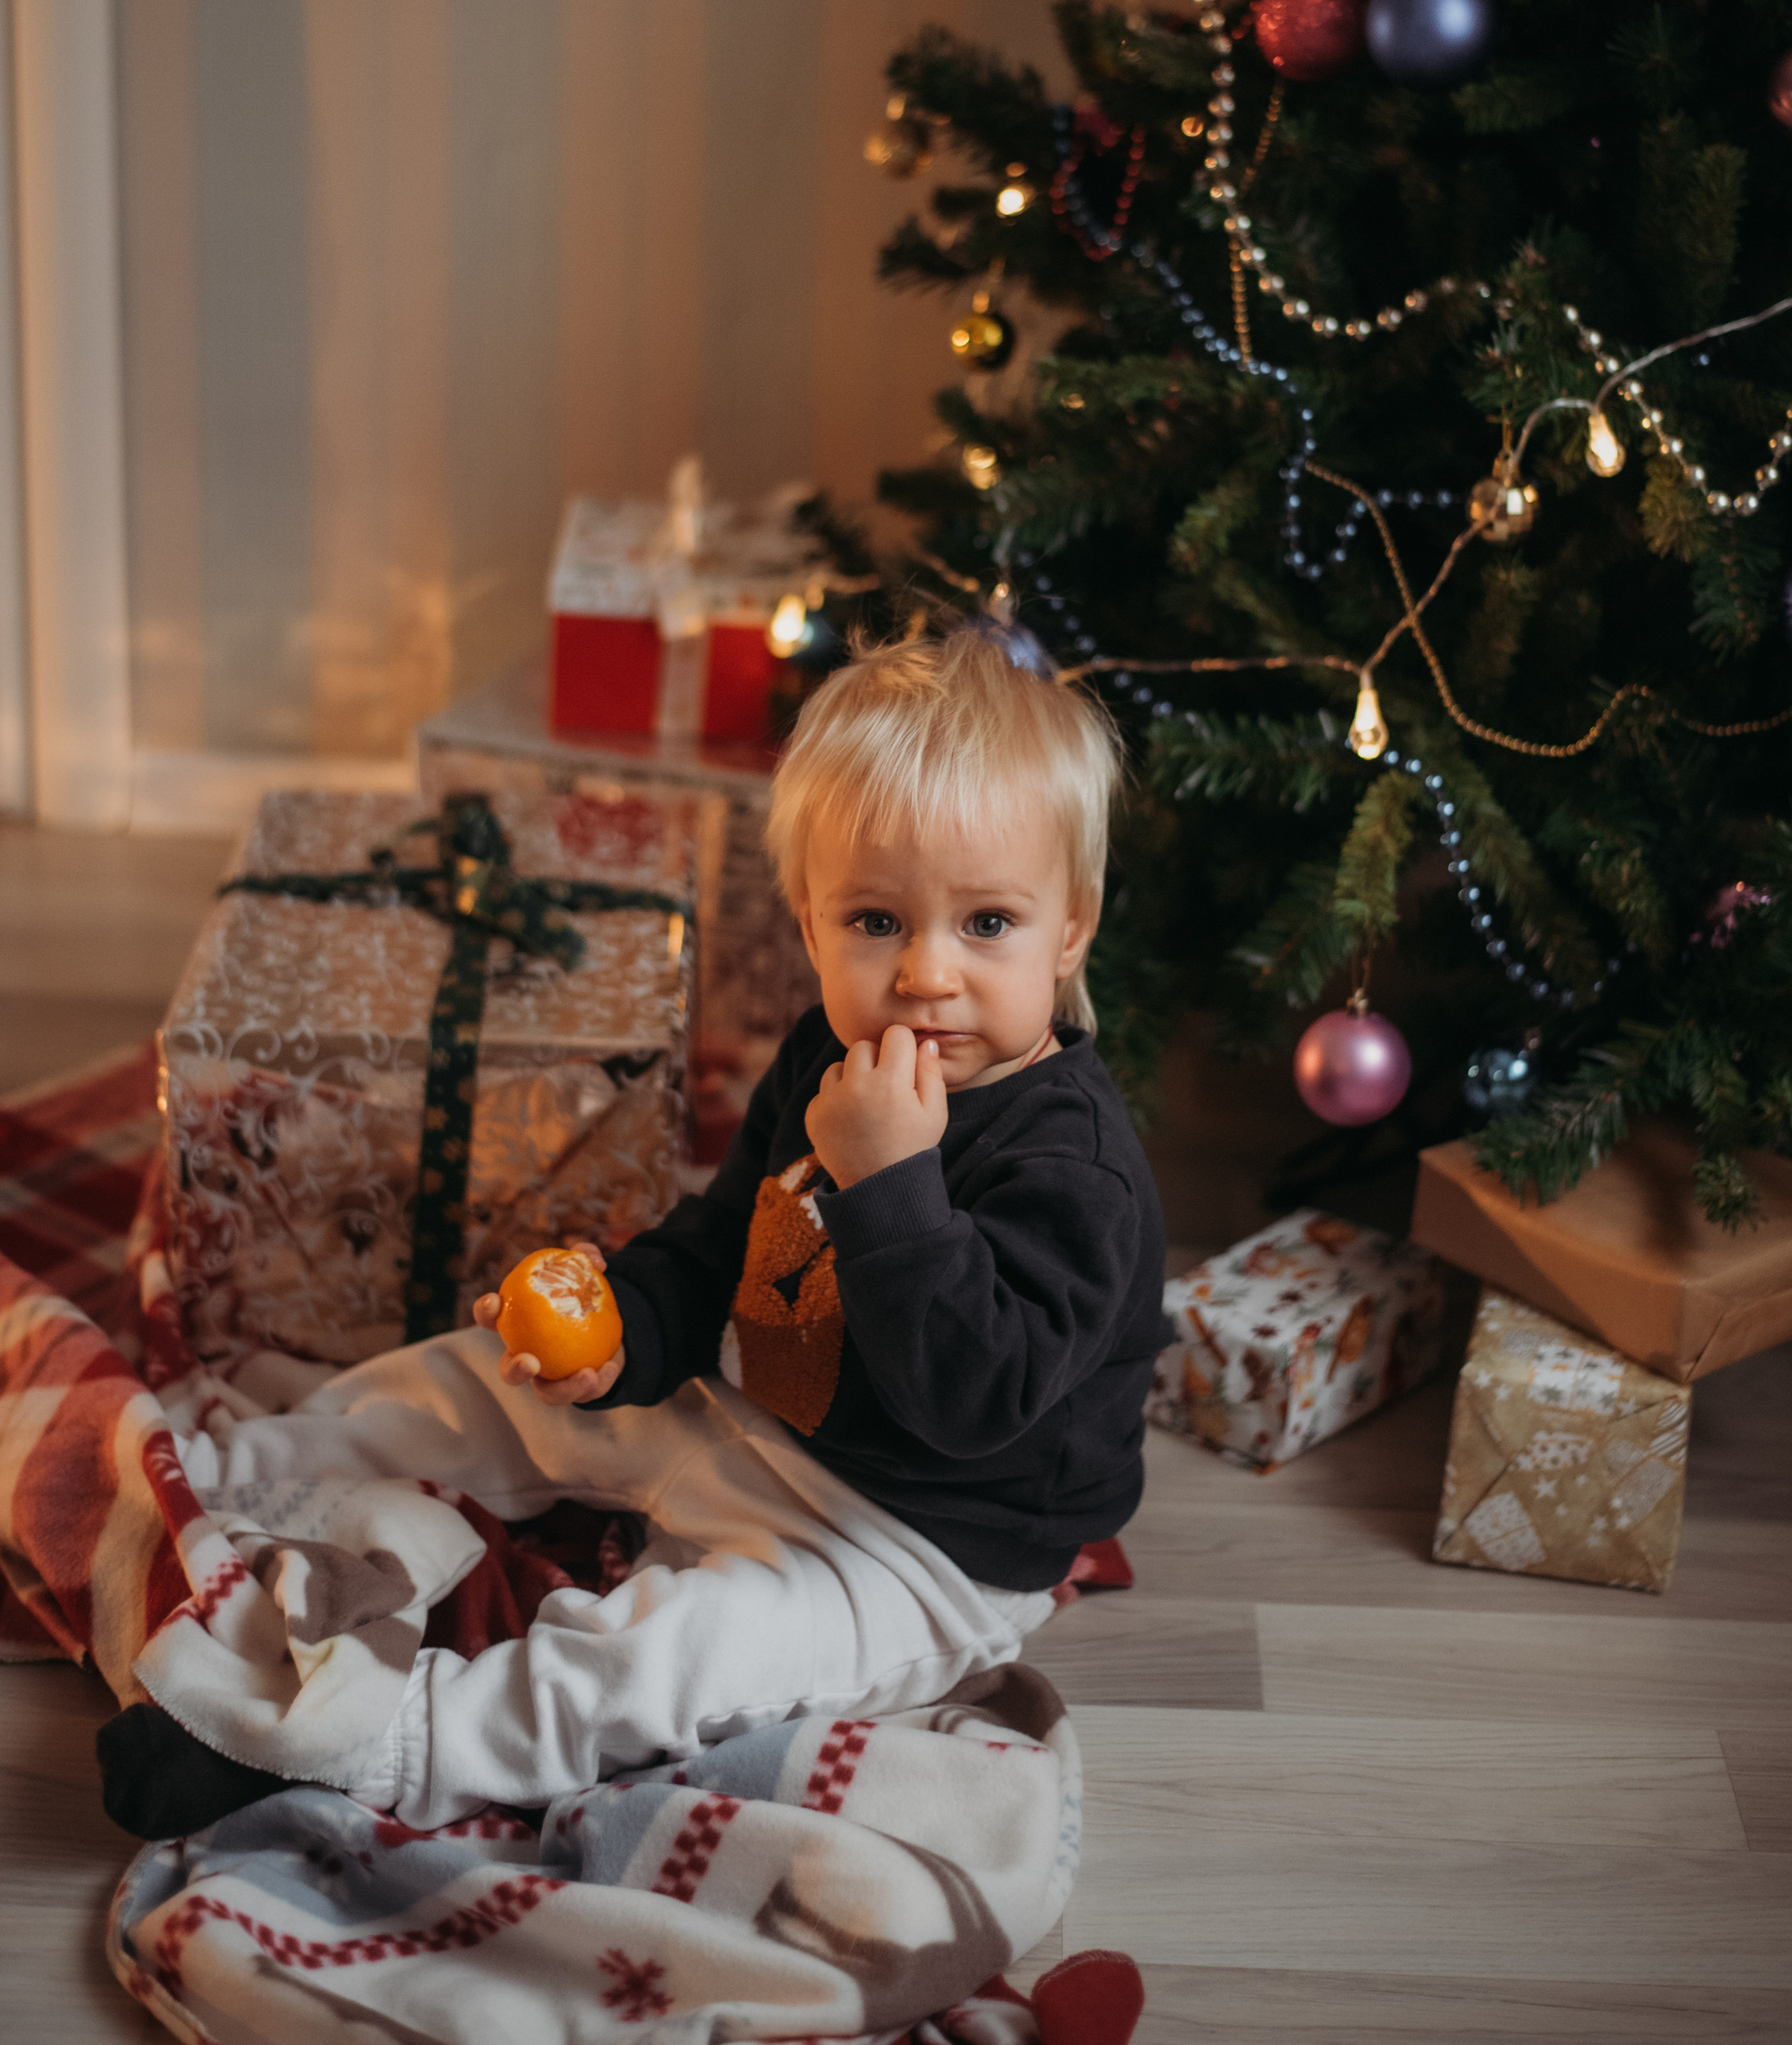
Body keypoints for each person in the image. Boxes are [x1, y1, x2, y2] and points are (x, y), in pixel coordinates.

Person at [100, 629, 1169, 1834]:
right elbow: (720, 1245)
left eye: (988, 923)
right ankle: (218, 1487)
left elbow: (974, 1399)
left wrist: (894, 1184)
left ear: (1069, 929)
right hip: (747, 1402)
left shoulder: (1073, 1167)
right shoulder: (828, 1056)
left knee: (663, 1659)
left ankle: (357, 1744)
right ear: (812, 929)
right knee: (481, 1380)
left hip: (914, 1542)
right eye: (876, 920)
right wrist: (629, 1337)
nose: (927, 972)